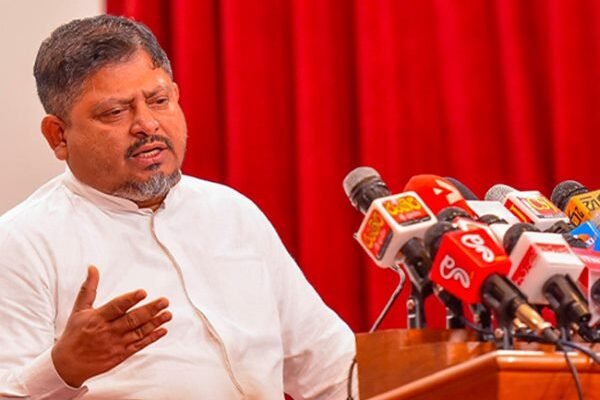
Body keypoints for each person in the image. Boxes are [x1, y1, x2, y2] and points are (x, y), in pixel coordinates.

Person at [0, 15, 356, 399]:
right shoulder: (22, 243)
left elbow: (328, 366)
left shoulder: (232, 213)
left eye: (159, 101)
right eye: (115, 112)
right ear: (58, 136)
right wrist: (63, 369)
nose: (147, 124)